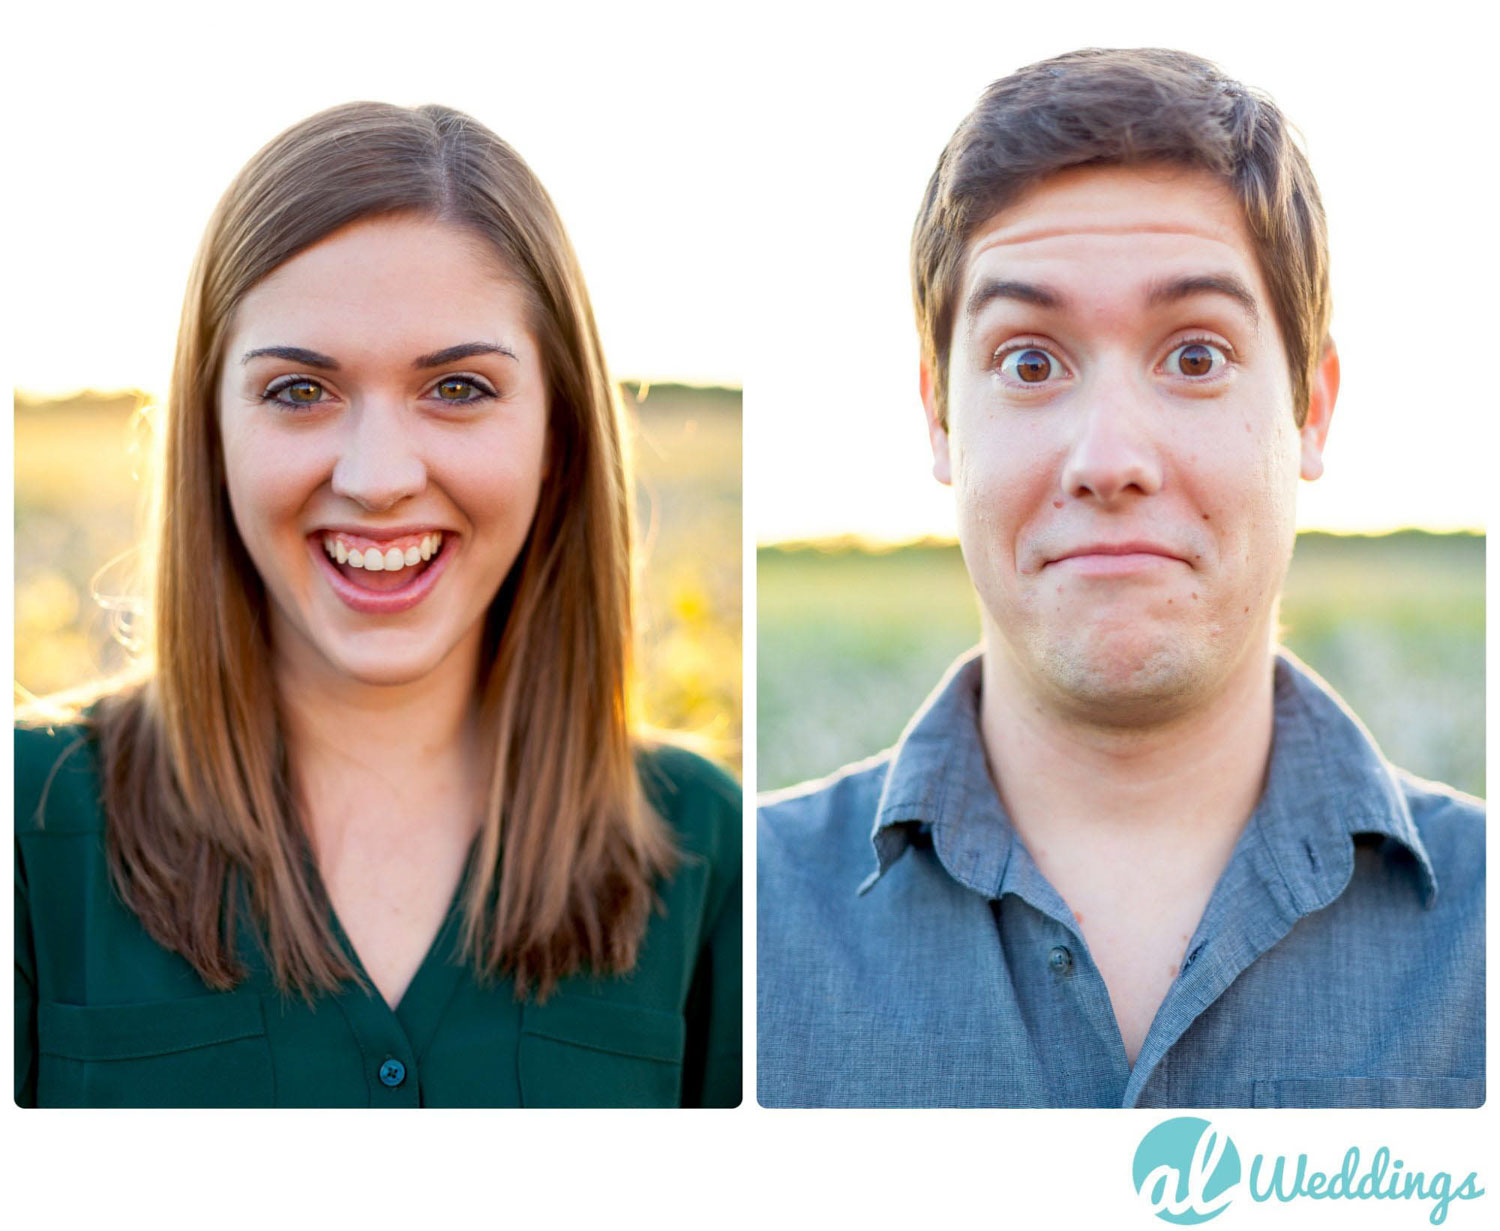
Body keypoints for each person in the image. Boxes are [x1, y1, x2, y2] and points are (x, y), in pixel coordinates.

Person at [757, 48, 1483, 1108]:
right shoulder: (744, 919)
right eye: (1030, 362)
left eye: (1195, 356)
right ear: (940, 417)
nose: (1108, 459)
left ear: (1312, 408)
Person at [15, 101, 740, 1108]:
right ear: (211, 431)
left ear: (558, 432)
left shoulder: (712, 848)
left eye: (457, 389)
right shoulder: (31, 822)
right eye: (301, 393)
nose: (379, 475)